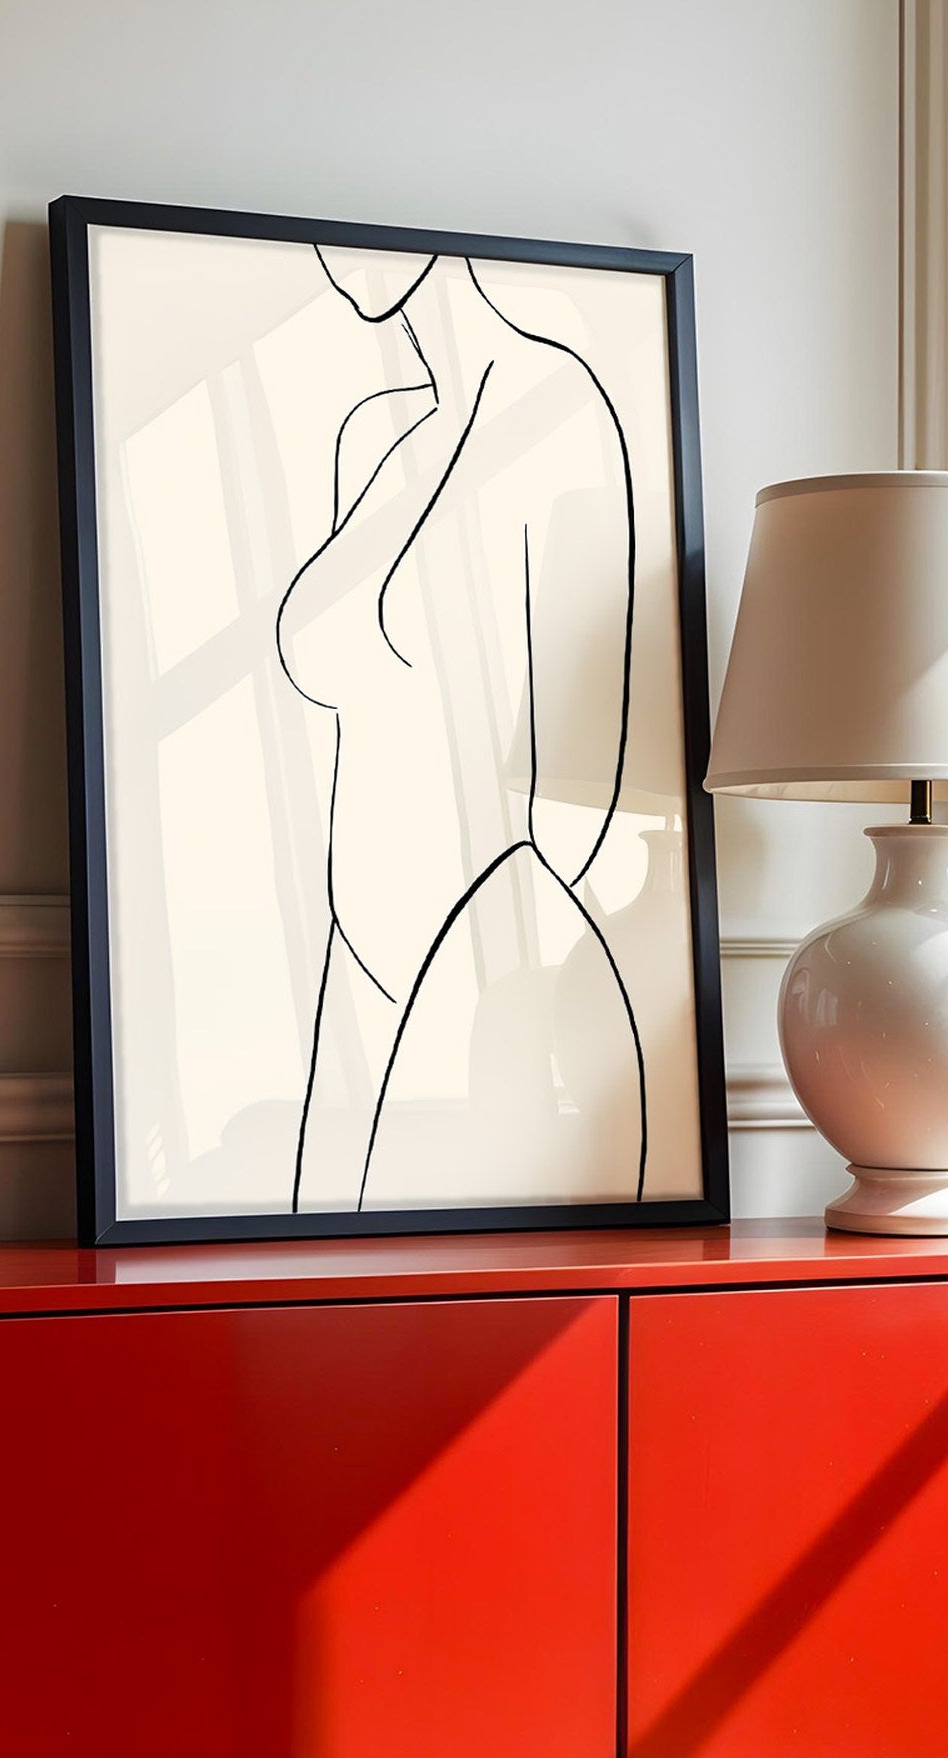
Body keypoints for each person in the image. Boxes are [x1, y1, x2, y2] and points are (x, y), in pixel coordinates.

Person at [276, 247, 644, 1212]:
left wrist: (530, 966)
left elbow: (591, 747)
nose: (338, 260)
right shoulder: (376, 433)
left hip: (479, 937)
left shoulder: (556, 404)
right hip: (355, 929)